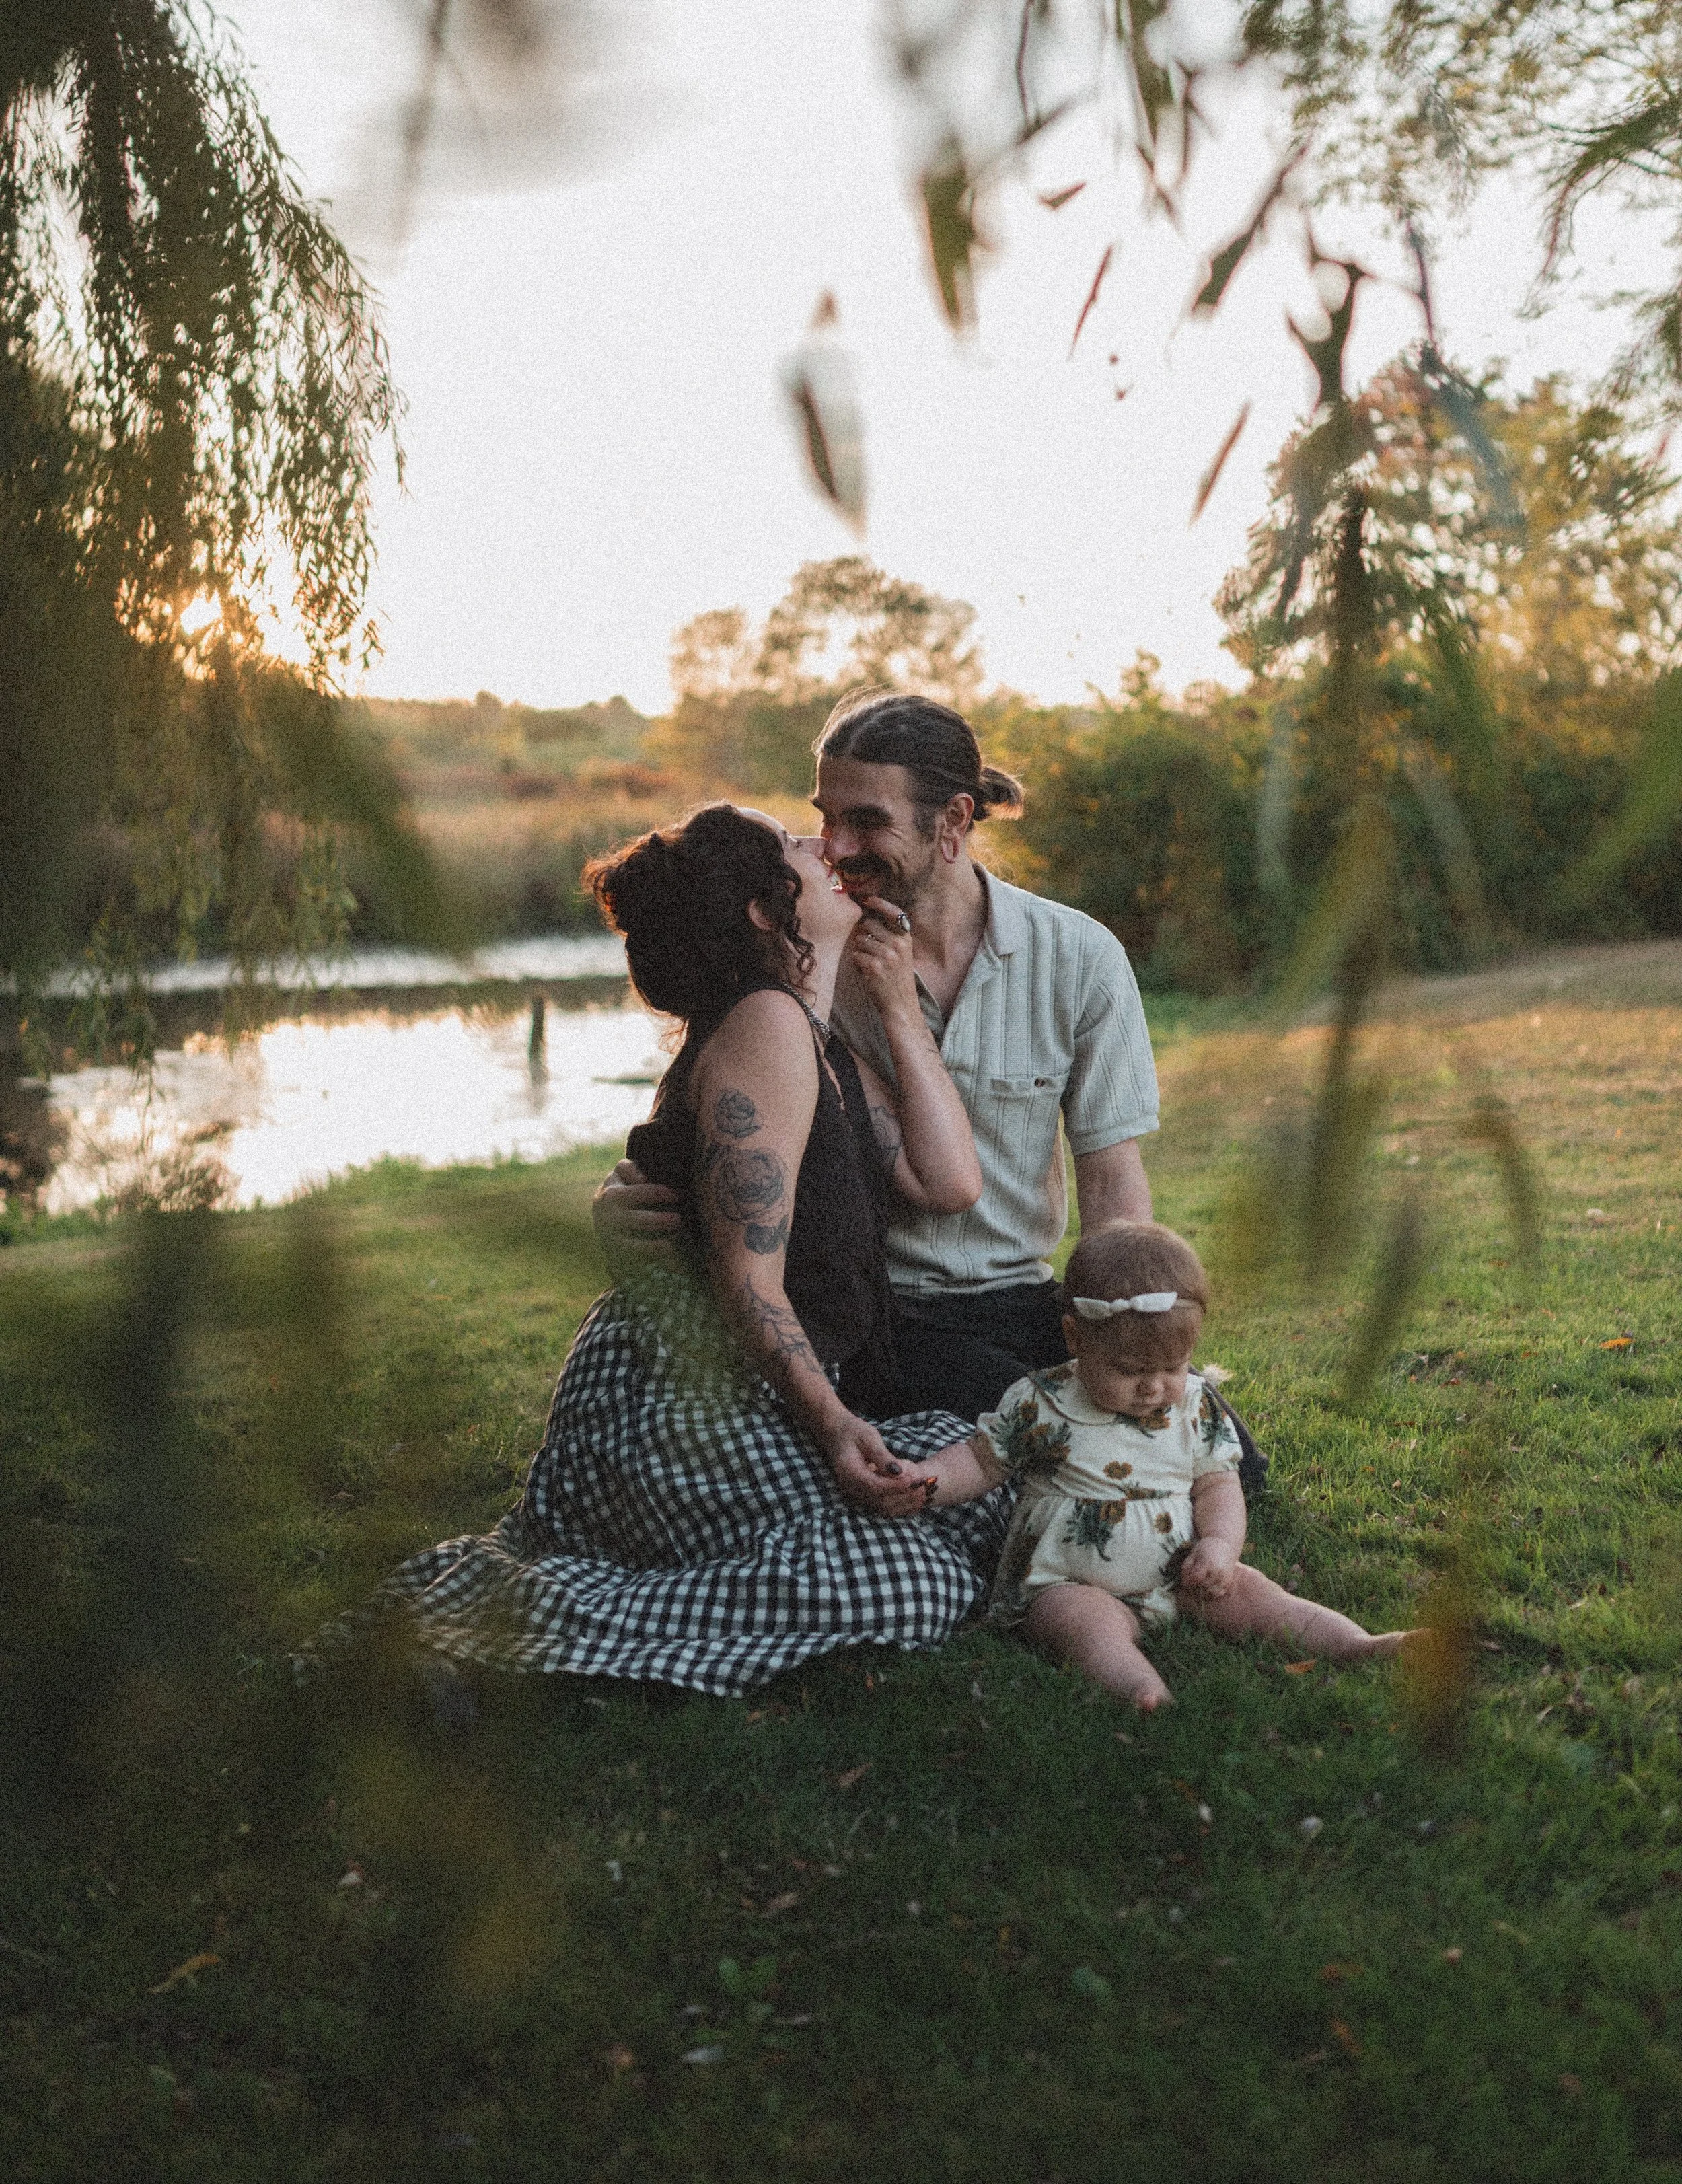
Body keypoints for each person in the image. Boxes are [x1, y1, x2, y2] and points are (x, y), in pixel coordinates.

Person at [299, 803, 1009, 1699]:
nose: (821, 845)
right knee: (917, 1582)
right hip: (680, 1399)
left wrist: (898, 1009)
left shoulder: (807, 1037)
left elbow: (948, 1184)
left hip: (741, 1390)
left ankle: (552, 1608)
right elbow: (748, 1284)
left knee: (971, 1469)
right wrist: (834, 1428)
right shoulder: (766, 1026)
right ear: (764, 908)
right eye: (796, 844)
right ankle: (480, 1638)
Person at [596, 690, 1161, 1424]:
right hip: (883, 1314)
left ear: (952, 821)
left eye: (866, 821)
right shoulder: (806, 954)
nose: (833, 846)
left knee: (1215, 1455)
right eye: (825, 817)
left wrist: (1124, 1333)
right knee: (1047, 1436)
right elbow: (721, 1111)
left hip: (1024, 1298)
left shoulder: (1079, 955)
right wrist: (631, 1197)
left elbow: (1113, 1179)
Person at [918, 1221, 1421, 1710]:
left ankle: (1356, 1643)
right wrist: (927, 1483)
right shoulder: (1041, 1402)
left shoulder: (1194, 1407)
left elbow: (1217, 1486)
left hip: (1179, 1577)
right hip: (1069, 1584)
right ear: (1075, 1339)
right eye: (1131, 1370)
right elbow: (981, 1463)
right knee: (1085, 1625)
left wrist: (1220, 1547)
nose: (1154, 1387)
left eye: (1172, 1367)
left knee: (1256, 1593)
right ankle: (1141, 1688)